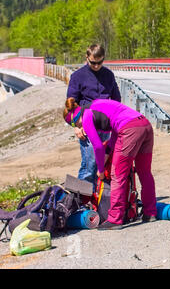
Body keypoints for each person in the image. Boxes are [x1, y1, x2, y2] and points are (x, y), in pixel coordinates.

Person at [63, 97, 157, 230]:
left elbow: (97, 147)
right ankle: (150, 212)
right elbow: (115, 132)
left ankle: (115, 219)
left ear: (74, 120)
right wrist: (108, 153)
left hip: (129, 130)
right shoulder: (97, 105)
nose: (79, 127)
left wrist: (101, 170)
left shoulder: (86, 115)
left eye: (74, 125)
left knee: (117, 174)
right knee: (145, 172)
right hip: (145, 125)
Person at [67, 44, 121, 185]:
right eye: (93, 63)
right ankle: (81, 200)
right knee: (89, 165)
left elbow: (116, 100)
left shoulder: (109, 75)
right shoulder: (77, 76)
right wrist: (76, 126)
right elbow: (71, 103)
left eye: (100, 62)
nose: (96, 66)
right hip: (86, 124)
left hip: (105, 125)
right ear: (87, 58)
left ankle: (99, 199)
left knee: (102, 163)